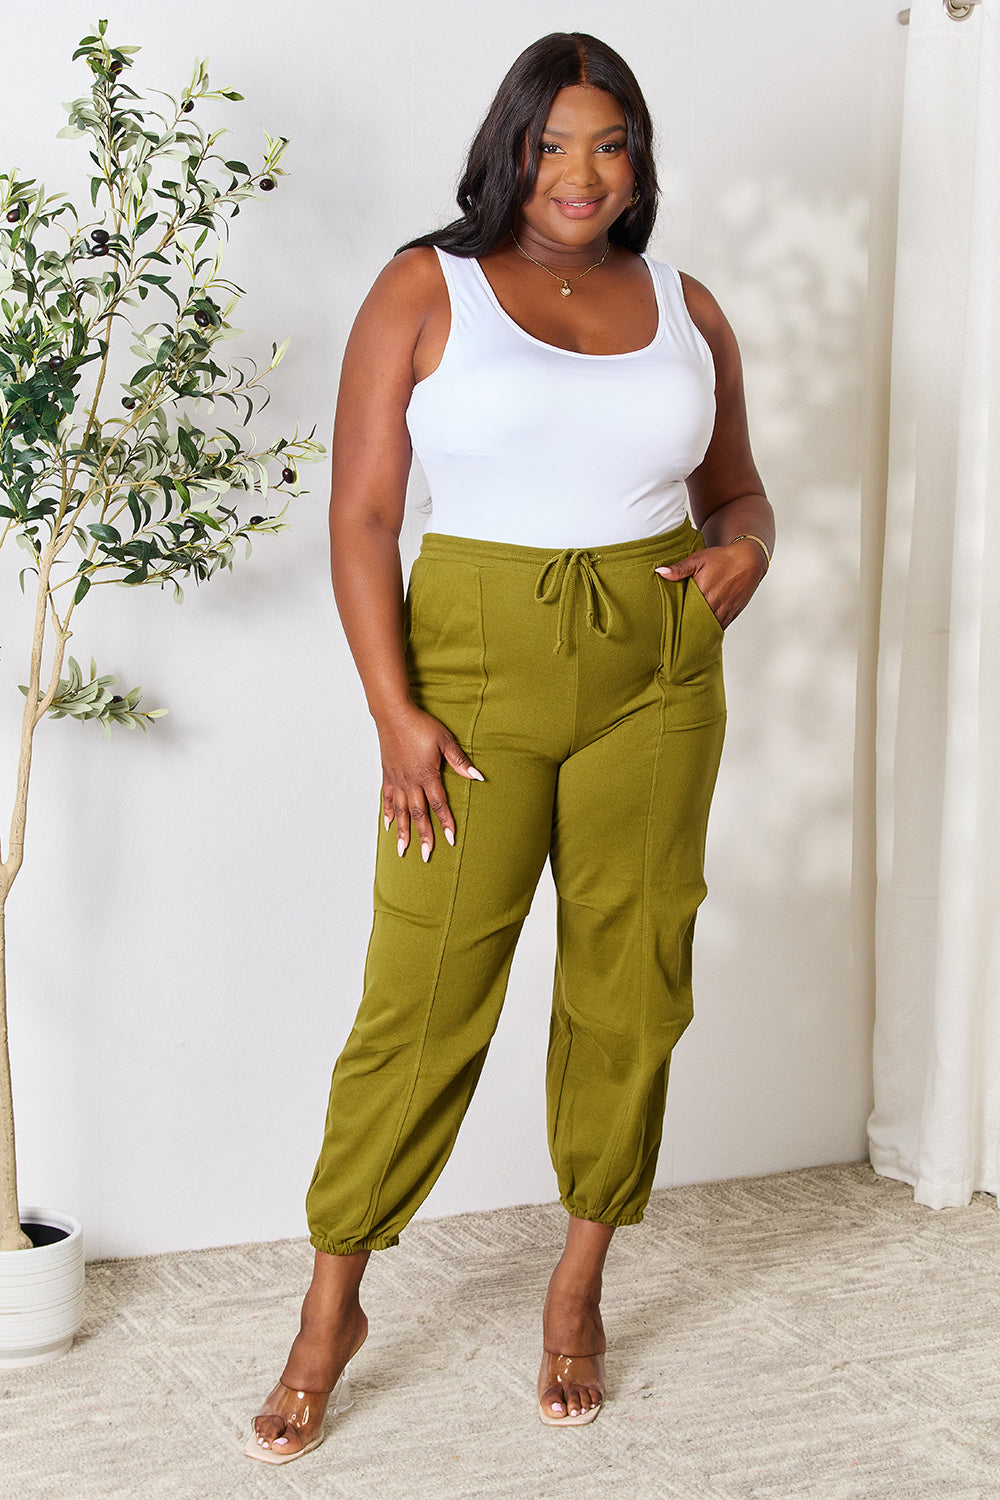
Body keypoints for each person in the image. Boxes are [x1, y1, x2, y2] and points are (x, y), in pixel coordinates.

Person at [246, 30, 773, 1464]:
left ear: (639, 158)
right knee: (421, 990)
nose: (580, 175)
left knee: (634, 972)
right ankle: (329, 1309)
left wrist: (747, 556)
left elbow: (739, 498)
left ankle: (580, 1283)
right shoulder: (426, 289)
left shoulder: (687, 304)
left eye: (609, 146)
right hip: (471, 665)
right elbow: (360, 518)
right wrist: (393, 710)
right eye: (553, 146)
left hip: (657, 669)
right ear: (509, 149)